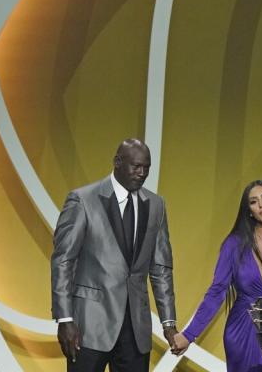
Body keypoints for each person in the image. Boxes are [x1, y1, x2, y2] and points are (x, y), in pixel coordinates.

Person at [51, 139, 179, 372]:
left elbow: (161, 268)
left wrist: (168, 322)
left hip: (136, 328)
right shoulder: (83, 200)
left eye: (146, 168)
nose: (142, 173)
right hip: (89, 325)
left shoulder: (156, 205)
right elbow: (63, 261)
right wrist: (65, 319)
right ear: (117, 162)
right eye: (136, 166)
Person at [170, 180, 262, 371]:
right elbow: (217, 292)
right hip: (241, 331)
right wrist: (189, 335)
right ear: (248, 210)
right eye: (253, 202)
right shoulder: (233, 245)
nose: (261, 205)